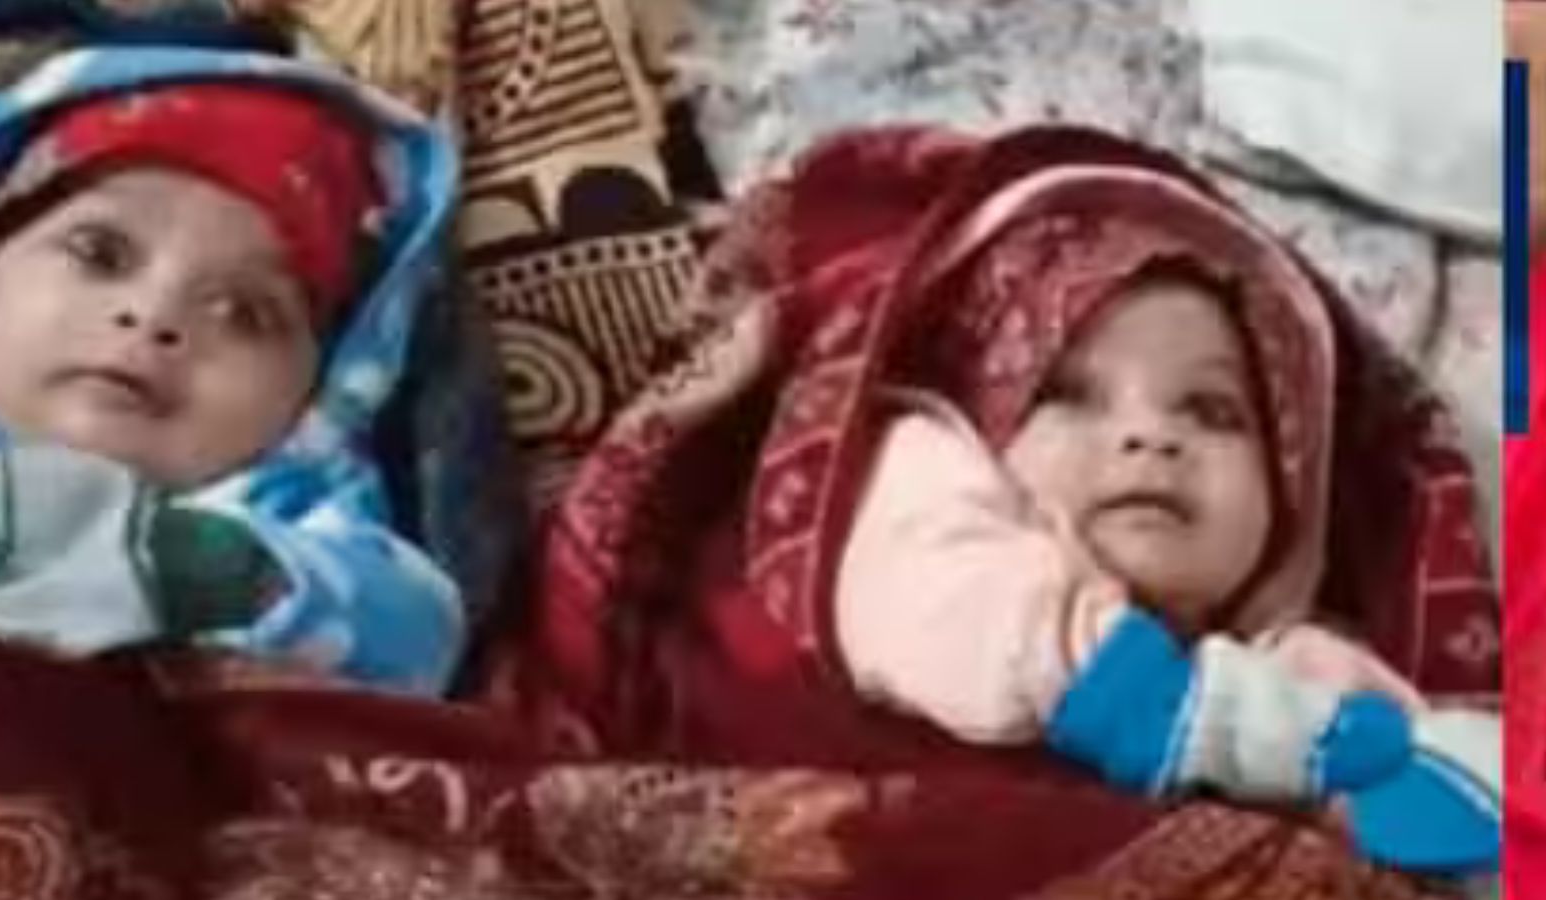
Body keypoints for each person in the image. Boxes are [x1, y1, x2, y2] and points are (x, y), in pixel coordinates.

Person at [532, 125, 1502, 885]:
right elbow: (969, 606)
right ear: (973, 421)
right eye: (1067, 393)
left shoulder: (1281, 664)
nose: (1149, 437)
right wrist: (1170, 706)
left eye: (1212, 411)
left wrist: (1414, 772)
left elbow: (1373, 756)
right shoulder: (909, 490)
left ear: (1289, 492)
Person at [0, 45, 465, 696]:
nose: (154, 315)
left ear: (321, 393)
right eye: (100, 253)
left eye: (245, 313)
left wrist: (202, 572)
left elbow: (419, 632)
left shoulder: (301, 533)